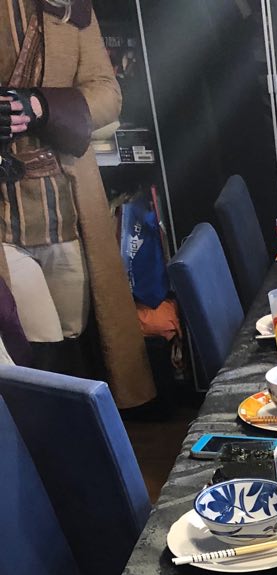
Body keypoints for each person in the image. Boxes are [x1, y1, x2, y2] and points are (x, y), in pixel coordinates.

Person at [0, 0, 155, 408]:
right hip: (5, 223)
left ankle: (79, 437)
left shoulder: (69, 5)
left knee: (74, 339)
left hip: (67, 208)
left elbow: (107, 93)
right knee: (39, 349)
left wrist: (38, 106)